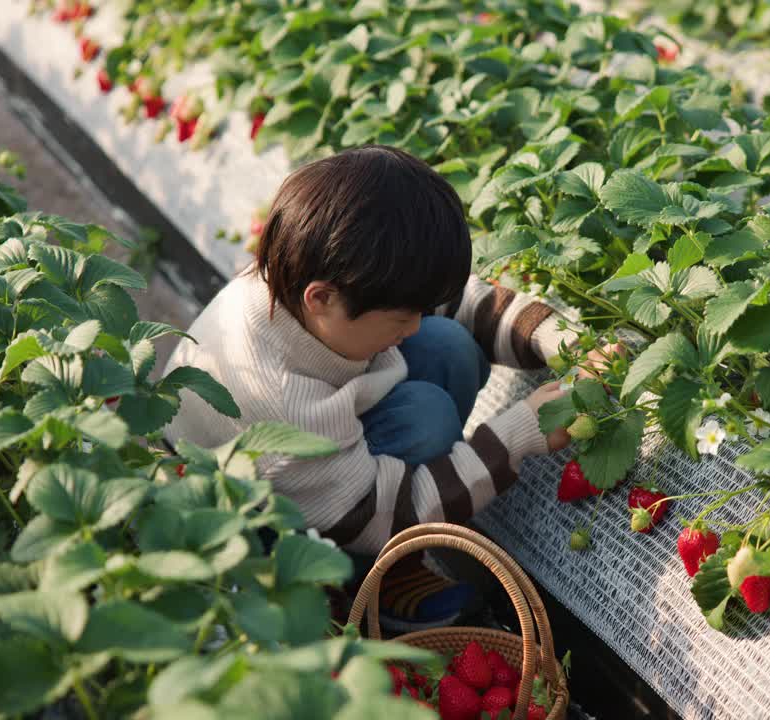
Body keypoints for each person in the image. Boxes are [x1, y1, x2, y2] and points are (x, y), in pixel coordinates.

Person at [162, 144, 608, 631]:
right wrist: (519, 433)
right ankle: (352, 582)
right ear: (323, 299)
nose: (413, 325)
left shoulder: (319, 280)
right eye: (401, 317)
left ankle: (378, 565)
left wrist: (562, 340)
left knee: (447, 347)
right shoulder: (282, 398)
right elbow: (379, 513)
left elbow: (451, 303)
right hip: (257, 534)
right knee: (427, 417)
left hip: (316, 471)